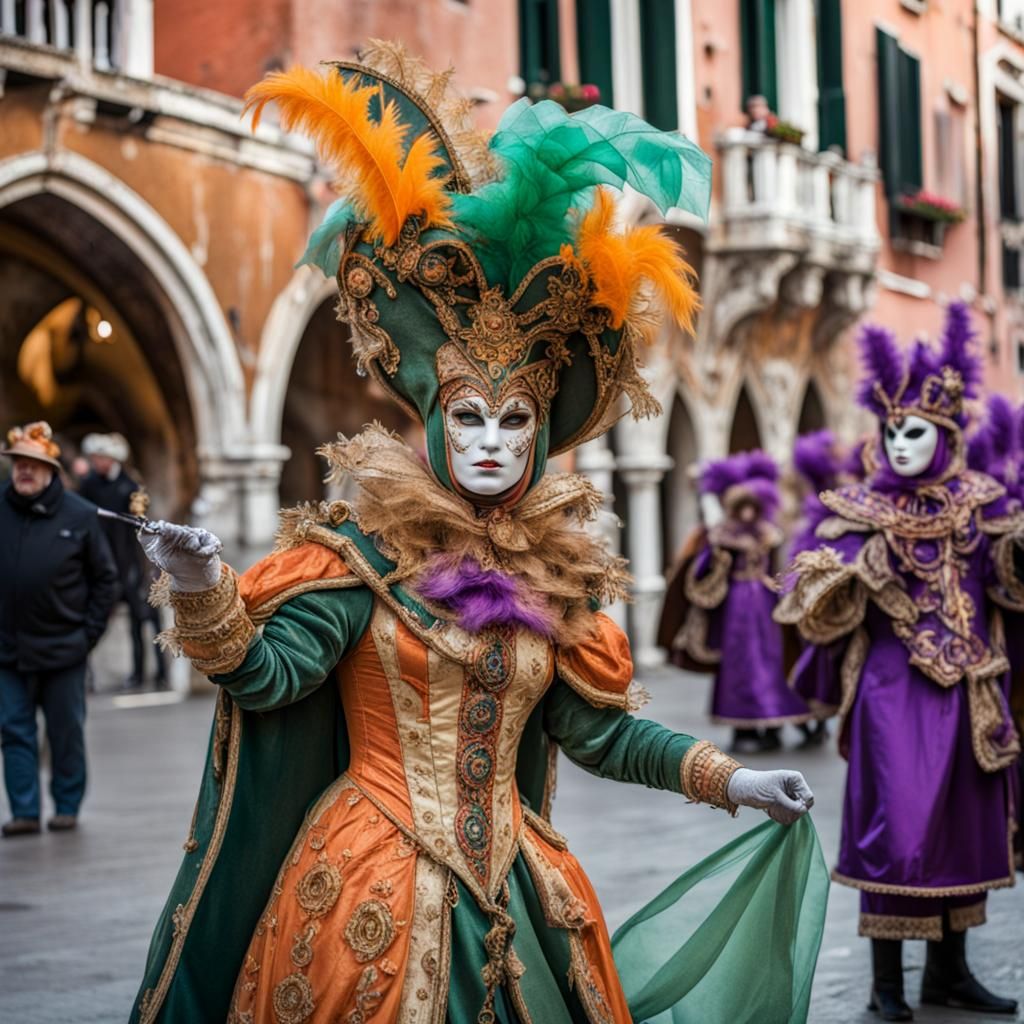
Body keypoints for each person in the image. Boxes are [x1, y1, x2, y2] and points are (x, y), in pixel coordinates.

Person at [129, 44, 825, 1024]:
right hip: (367, 886)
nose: (491, 442)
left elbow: (597, 730)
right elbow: (266, 675)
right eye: (469, 418)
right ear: (435, 421)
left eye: (513, 421)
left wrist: (736, 779)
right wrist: (203, 584)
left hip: (519, 884)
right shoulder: (361, 560)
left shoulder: (554, 580)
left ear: (538, 435)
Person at [776, 306, 1022, 1020]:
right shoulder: (860, 514)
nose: (900, 443)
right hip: (892, 698)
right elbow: (815, 607)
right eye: (891, 431)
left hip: (970, 697)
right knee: (899, 833)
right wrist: (845, 575)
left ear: (948, 437)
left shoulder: (982, 508)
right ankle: (886, 985)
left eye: (916, 431)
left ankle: (949, 973)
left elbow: (1007, 588)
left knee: (961, 830)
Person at [0, 421, 118, 836]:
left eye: (32, 464)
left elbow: (105, 579)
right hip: (8, 649)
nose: (24, 470)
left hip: (64, 647)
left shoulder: (80, 514)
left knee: (65, 730)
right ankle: (24, 811)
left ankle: (66, 805)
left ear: (50, 469)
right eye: (18, 463)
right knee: (13, 730)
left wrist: (87, 635)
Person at [658, 451, 814, 753]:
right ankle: (746, 728)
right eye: (742, 508)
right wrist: (717, 561)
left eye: (752, 508)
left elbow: (777, 567)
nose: (747, 514)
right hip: (737, 609)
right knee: (741, 664)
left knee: (772, 662)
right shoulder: (722, 537)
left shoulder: (767, 534)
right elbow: (702, 572)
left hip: (766, 606)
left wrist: (784, 591)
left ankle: (773, 723)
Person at [78, 433, 167, 689]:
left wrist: (144, 567)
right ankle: (85, 675)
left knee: (143, 619)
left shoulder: (130, 487)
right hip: (101, 564)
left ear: (111, 459)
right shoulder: (89, 485)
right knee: (92, 618)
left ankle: (154, 673)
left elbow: (141, 529)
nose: (95, 462)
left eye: (99, 457)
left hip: (131, 564)